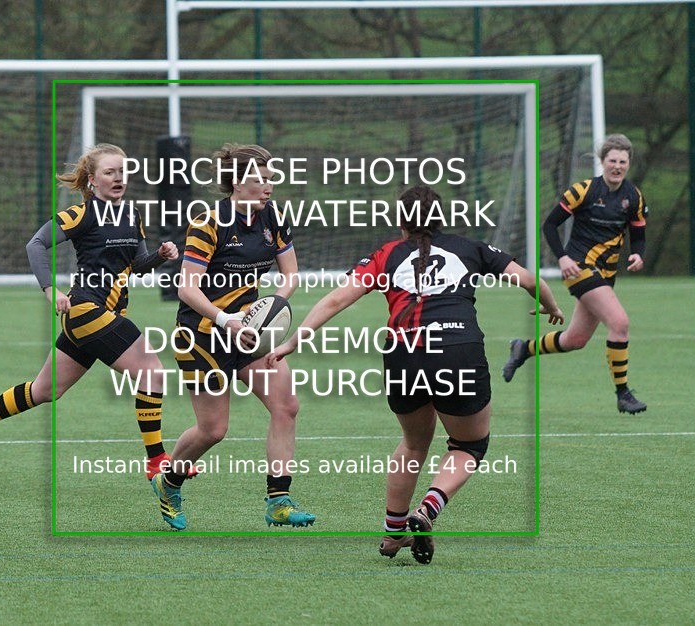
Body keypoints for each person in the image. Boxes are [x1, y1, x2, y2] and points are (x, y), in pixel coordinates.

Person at [266, 185, 564, 564]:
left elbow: (337, 298)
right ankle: (428, 508)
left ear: (401, 223)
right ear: (440, 218)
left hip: (404, 354)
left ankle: (392, 533)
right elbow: (530, 280)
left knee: (413, 443)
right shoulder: (470, 247)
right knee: (469, 445)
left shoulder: (387, 254)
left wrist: (295, 340)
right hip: (458, 351)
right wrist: (551, 307)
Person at [0, 143, 188, 512]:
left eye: (122, 172)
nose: (118, 178)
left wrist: (160, 256)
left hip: (101, 316)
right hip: (86, 311)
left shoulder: (132, 214)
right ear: (92, 181)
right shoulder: (82, 215)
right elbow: (36, 244)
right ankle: (157, 460)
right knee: (152, 372)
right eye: (109, 172)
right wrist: (50, 290)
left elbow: (136, 264)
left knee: (45, 390)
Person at [152, 143, 315, 531]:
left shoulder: (273, 217)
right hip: (203, 335)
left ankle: (279, 500)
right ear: (237, 183)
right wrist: (229, 320)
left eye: (271, 178)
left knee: (286, 405)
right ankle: (168, 481)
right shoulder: (208, 223)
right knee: (213, 430)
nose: (269, 186)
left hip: (250, 333)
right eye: (260, 179)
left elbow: (290, 276)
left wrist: (269, 310)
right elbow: (188, 290)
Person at [502, 133, 648, 415]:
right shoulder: (583, 191)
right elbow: (549, 225)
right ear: (602, 162)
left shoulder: (634, 196)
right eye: (612, 160)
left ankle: (523, 349)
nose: (617, 166)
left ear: (628, 164)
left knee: (575, 340)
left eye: (622, 161)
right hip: (579, 267)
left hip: (605, 274)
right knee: (619, 322)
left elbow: (639, 235)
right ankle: (623, 394)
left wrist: (638, 254)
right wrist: (563, 257)